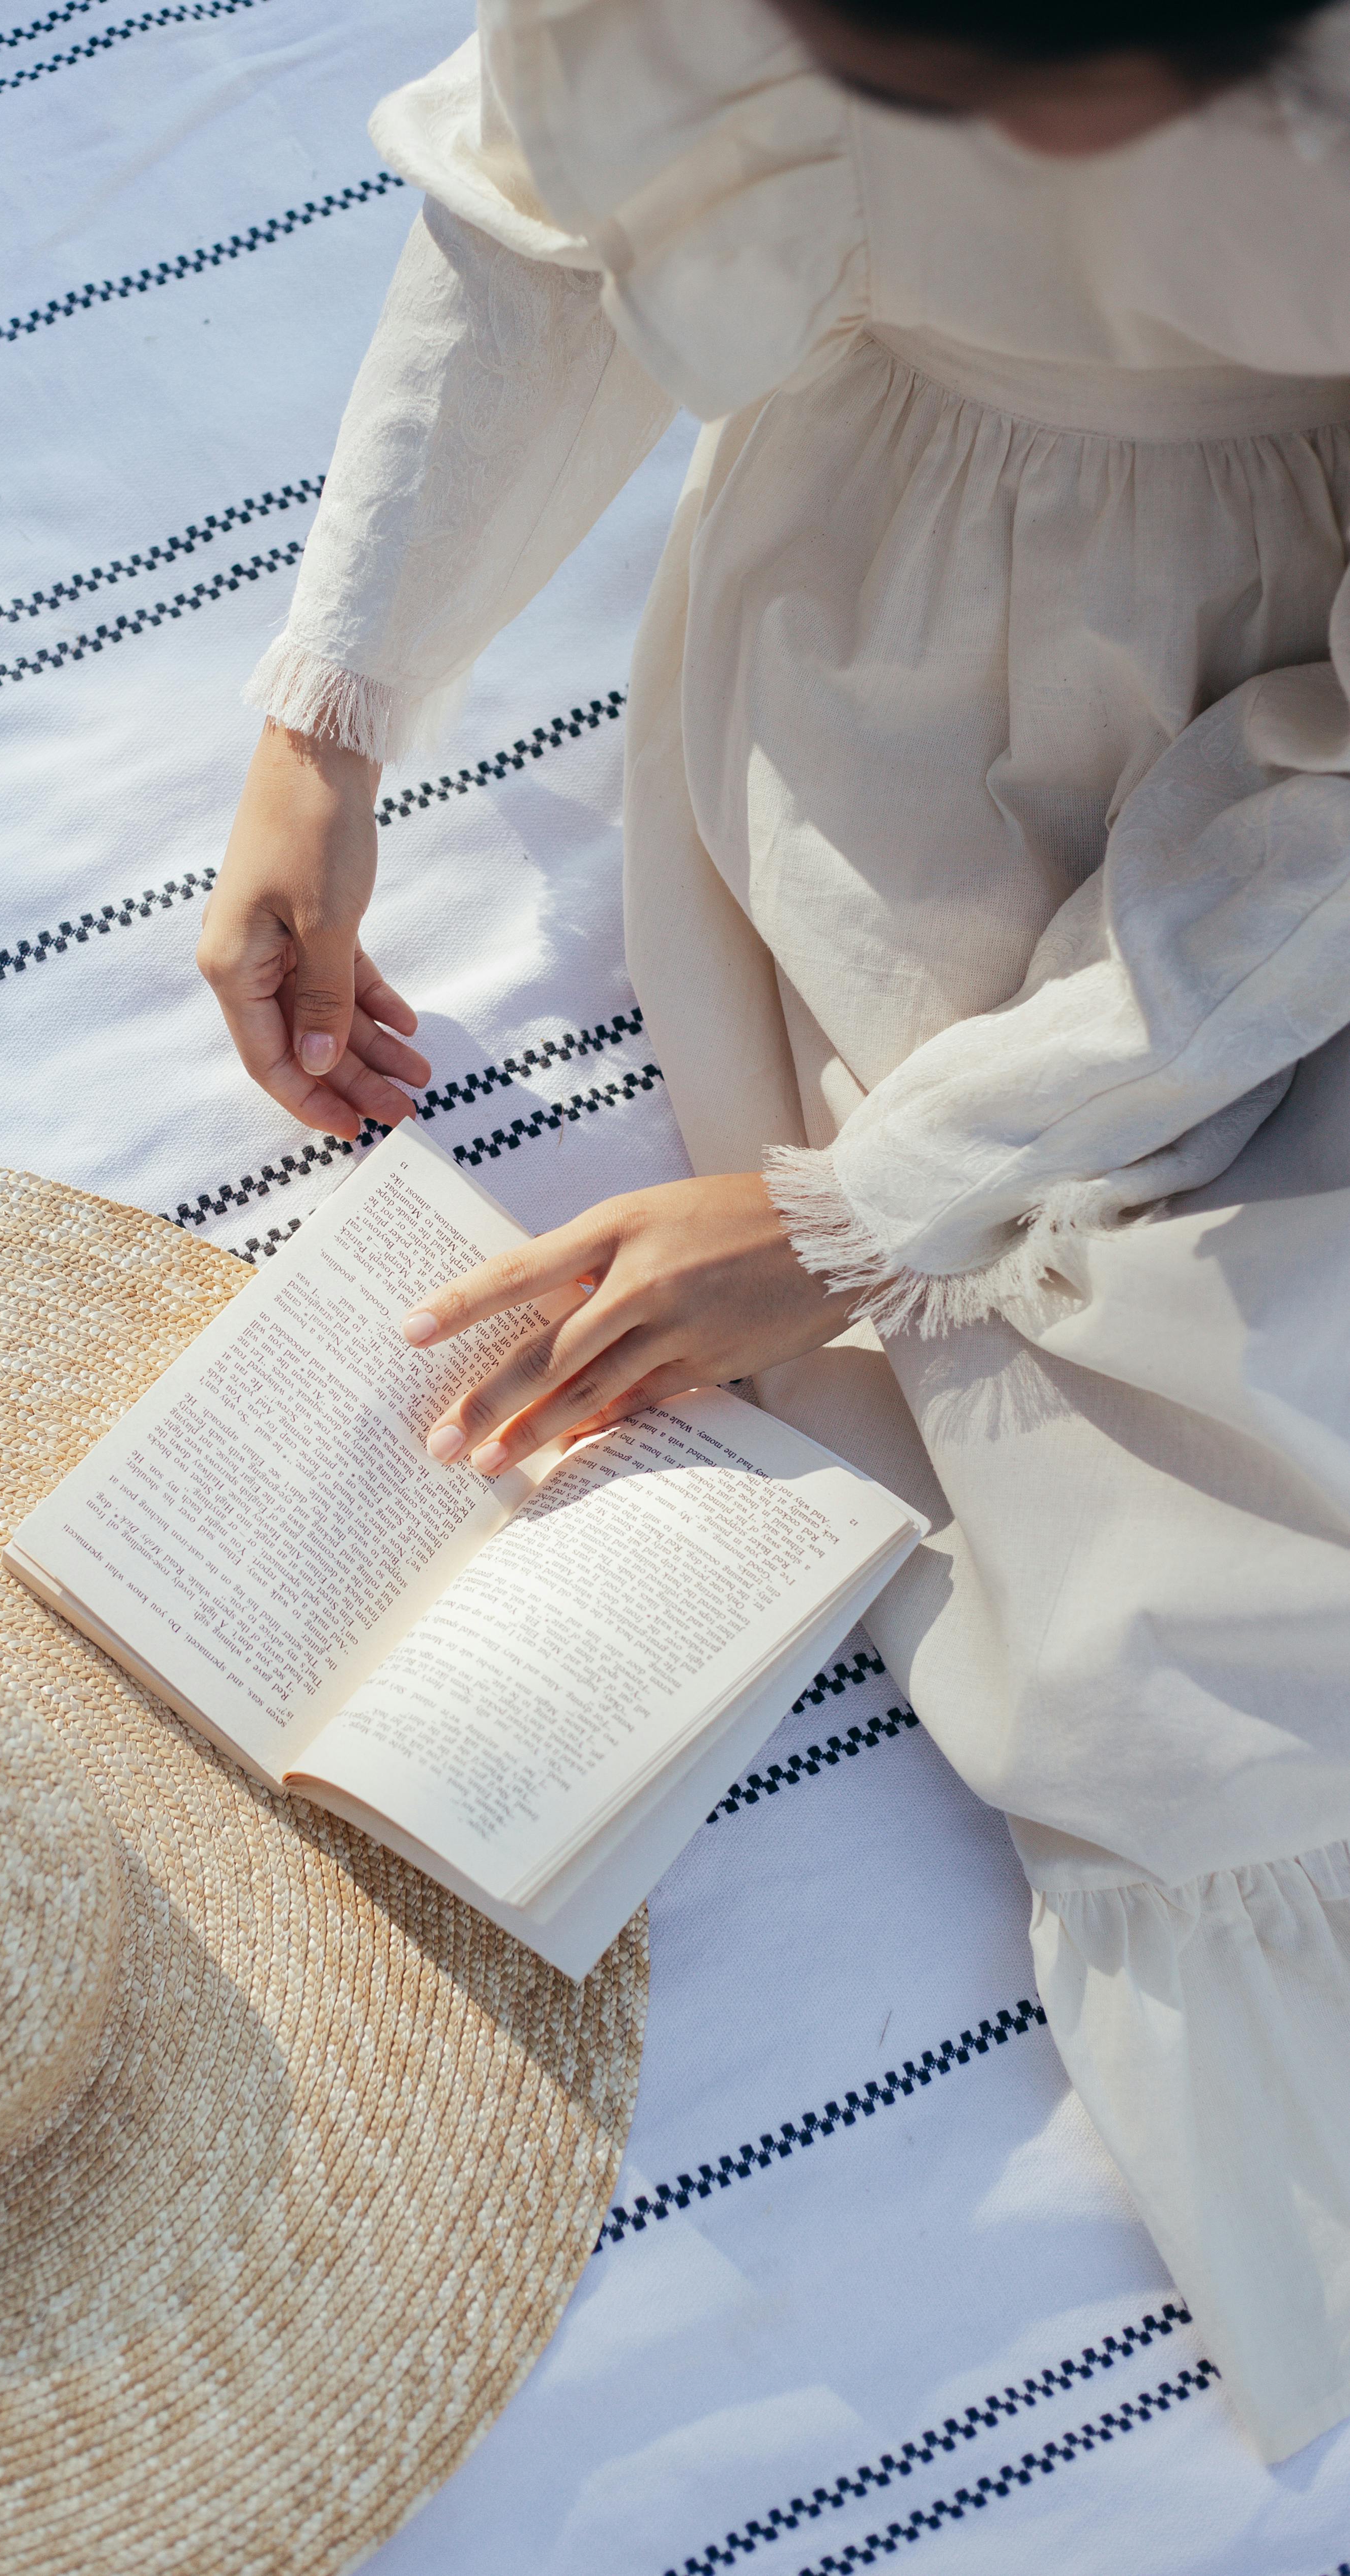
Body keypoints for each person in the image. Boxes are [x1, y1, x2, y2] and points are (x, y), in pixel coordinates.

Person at [197, 0, 1350, 2460]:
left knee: (1193, 1524)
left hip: (1286, 752)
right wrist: (329, 723)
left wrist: (862, 1210)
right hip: (861, 635)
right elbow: (560, 207)